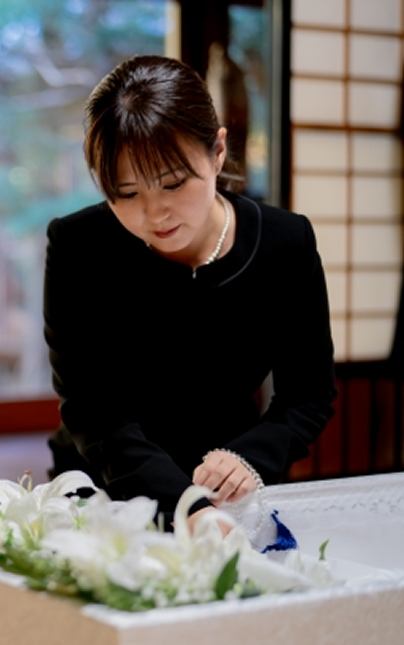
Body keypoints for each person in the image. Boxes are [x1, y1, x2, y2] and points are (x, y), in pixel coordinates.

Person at [43, 55, 337, 535]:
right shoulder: (80, 247)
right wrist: (185, 506)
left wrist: (248, 458)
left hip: (228, 484)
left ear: (217, 151)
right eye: (126, 193)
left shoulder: (285, 243)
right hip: (107, 484)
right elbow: (93, 410)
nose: (155, 213)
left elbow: (309, 394)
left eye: (174, 183)